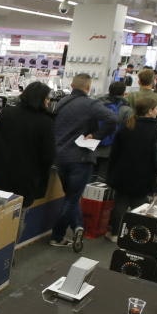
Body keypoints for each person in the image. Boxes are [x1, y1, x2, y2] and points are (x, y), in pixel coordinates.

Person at [49, 73, 117, 249]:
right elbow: (112, 119)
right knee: (72, 198)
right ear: (88, 87)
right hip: (81, 157)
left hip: (60, 156)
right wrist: (96, 136)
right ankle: (57, 235)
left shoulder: (62, 102)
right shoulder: (91, 104)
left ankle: (78, 226)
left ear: (72, 85)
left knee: (71, 196)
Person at [105, 96, 157, 241]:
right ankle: (135, 235)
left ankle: (115, 233)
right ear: (150, 111)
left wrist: (111, 174)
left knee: (120, 204)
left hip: (122, 173)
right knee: (140, 205)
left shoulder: (127, 126)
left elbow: (115, 152)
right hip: (145, 174)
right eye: (156, 109)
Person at [0, 81, 55, 205]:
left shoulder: (7, 112)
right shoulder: (46, 122)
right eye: (47, 98)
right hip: (25, 178)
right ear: (41, 99)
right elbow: (48, 155)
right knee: (17, 214)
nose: (48, 101)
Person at [93, 81, 132, 179]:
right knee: (102, 179)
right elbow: (127, 132)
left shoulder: (96, 103)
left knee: (89, 177)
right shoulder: (126, 110)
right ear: (124, 93)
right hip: (110, 150)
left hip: (92, 146)